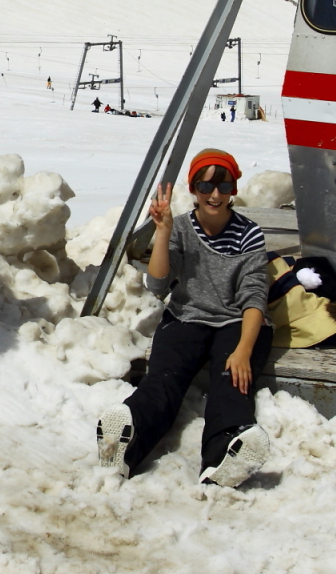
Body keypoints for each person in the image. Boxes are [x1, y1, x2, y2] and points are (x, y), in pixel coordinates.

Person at [97, 148, 273, 488]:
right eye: (205, 187)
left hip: (236, 322)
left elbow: (254, 297)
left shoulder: (250, 234)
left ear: (234, 189)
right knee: (163, 380)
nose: (215, 195)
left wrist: (243, 350)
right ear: (194, 190)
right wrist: (162, 232)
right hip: (186, 317)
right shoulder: (180, 228)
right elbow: (159, 284)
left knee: (232, 383)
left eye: (223, 185)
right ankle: (125, 440)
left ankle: (224, 456)